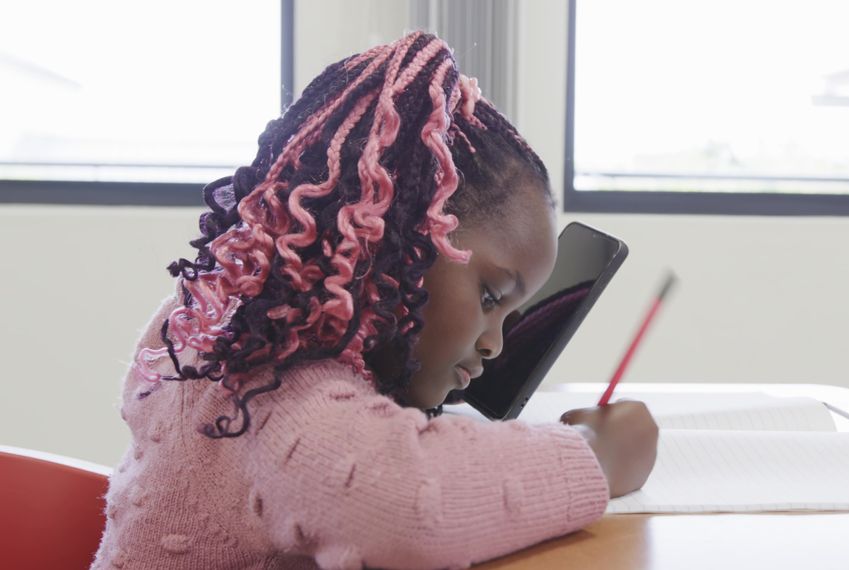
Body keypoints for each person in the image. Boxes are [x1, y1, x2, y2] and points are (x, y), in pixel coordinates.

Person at [92, 31, 658, 570]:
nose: (495, 342)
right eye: (489, 297)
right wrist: (594, 454)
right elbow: (407, 505)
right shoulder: (280, 402)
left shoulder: (210, 322)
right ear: (389, 241)